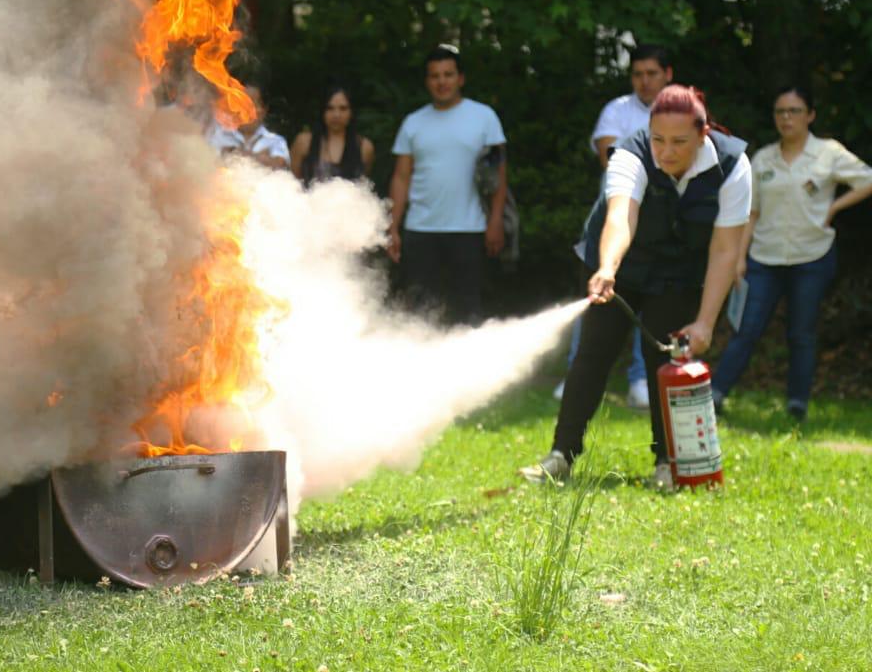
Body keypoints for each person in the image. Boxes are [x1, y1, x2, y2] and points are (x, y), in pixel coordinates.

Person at [520, 85, 751, 487]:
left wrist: (706, 323)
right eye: (659, 139)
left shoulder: (733, 165)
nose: (666, 151)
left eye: (679, 141)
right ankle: (561, 455)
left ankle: (667, 463)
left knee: (665, 358)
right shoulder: (630, 153)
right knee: (593, 353)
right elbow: (620, 217)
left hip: (678, 273)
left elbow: (725, 250)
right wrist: (608, 268)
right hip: (617, 266)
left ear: (703, 134)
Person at [711, 87, 872, 421]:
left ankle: (797, 404)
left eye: (794, 111)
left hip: (812, 255)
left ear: (810, 115)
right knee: (747, 329)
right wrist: (739, 258)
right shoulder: (763, 158)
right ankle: (715, 395)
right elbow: (750, 212)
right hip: (764, 258)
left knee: (801, 333)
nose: (786, 118)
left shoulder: (829, 153)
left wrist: (834, 207)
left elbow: (867, 180)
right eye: (780, 111)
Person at [555, 45, 674, 408]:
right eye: (638, 74)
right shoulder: (617, 110)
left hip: (660, 235)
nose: (644, 81)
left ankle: (640, 381)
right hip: (615, 224)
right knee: (595, 303)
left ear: (668, 74)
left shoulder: (682, 112)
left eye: (652, 73)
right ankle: (577, 375)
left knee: (649, 311)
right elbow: (611, 156)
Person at [387, 44, 507, 326]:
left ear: (460, 78)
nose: (442, 82)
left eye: (448, 75)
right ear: (427, 81)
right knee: (419, 311)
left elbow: (498, 174)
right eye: (435, 76)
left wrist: (496, 221)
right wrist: (393, 226)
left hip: (469, 228)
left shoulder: (484, 118)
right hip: (420, 230)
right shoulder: (413, 123)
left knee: (467, 310)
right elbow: (401, 177)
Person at [289, 84, 375, 184]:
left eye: (343, 108)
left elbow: (363, 185)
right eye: (330, 108)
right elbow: (291, 184)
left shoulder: (364, 147)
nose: (336, 115)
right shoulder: (304, 142)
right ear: (322, 111)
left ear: (351, 112)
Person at [207, 85, 289, 170]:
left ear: (264, 109)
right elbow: (207, 164)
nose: (245, 109)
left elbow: (279, 165)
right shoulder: (217, 134)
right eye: (241, 103)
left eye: (251, 104)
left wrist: (233, 153)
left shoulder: (276, 141)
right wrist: (261, 158)